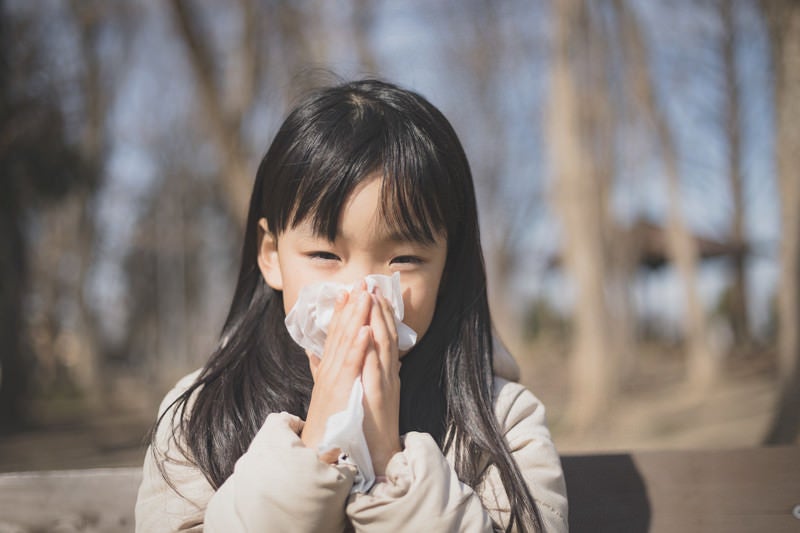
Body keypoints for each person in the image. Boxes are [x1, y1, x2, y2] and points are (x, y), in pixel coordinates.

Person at [135, 79, 568, 532]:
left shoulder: (499, 421)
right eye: (325, 255)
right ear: (271, 255)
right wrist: (314, 447)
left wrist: (390, 468)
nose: (362, 293)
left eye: (404, 260)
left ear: (447, 269)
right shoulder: (201, 415)